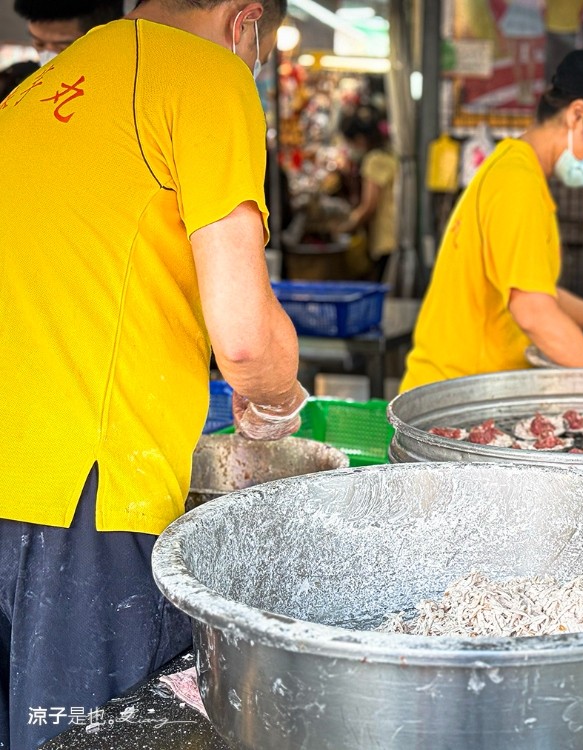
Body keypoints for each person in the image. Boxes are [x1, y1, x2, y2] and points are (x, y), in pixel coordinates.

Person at [0, 1, 308, 747]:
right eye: (259, 50)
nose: (253, 64)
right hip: (89, 497)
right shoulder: (205, 75)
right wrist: (276, 400)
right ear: (244, 20)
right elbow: (244, 338)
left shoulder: (37, 90)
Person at [401, 50, 583, 392]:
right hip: (455, 396)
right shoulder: (518, 183)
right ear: (577, 115)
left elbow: (534, 290)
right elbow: (533, 312)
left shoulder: (515, 169)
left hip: (464, 389)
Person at [334, 104, 399, 282]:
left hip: (385, 238)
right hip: (395, 233)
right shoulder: (389, 154)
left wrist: (347, 226)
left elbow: (369, 205)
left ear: (360, 138)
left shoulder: (373, 160)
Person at [14, 0, 124, 65]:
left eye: (63, 47)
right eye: (39, 44)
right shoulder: (16, 83)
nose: (48, 59)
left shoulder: (127, 88)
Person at [544, 0, 583, 83]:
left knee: (553, 60)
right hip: (567, 28)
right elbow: (582, 10)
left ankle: (552, 83)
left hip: (555, 27)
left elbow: (544, 8)